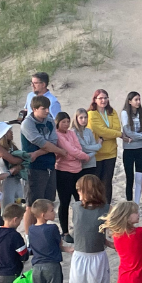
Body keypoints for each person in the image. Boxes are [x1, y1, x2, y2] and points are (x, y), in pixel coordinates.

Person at [21, 96, 68, 229]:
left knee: (47, 203)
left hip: (49, 165)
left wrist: (37, 153)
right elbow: (41, 142)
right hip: (34, 168)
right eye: (43, 109)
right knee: (31, 205)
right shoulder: (28, 123)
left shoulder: (50, 121)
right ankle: (29, 237)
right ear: (34, 109)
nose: (47, 111)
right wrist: (59, 151)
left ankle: (43, 231)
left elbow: (51, 142)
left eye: (48, 108)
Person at [54, 111, 92, 243]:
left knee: (81, 201)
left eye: (67, 121)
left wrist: (77, 155)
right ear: (58, 122)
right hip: (63, 172)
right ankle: (65, 232)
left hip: (78, 170)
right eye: (63, 122)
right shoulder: (57, 135)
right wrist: (84, 156)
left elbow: (77, 147)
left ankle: (81, 228)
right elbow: (70, 150)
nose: (66, 124)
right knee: (64, 202)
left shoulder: (71, 133)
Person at [87, 89, 124, 206]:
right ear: (95, 100)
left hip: (111, 152)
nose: (103, 100)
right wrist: (117, 135)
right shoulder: (91, 114)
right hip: (97, 153)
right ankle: (96, 206)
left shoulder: (112, 112)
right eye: (100, 98)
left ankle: (107, 206)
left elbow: (116, 129)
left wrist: (107, 136)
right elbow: (98, 130)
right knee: (96, 182)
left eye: (105, 98)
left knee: (107, 182)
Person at [120, 92, 142, 204]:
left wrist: (138, 136)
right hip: (128, 150)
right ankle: (130, 204)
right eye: (136, 99)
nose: (138, 102)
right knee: (129, 178)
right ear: (129, 101)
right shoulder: (125, 113)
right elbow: (128, 132)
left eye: (139, 99)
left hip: (140, 149)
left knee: (139, 179)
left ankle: (137, 204)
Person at [0, 123, 24, 208]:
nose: (11, 133)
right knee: (8, 208)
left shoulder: (11, 145)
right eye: (9, 131)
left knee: (19, 206)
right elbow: (13, 160)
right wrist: (24, 159)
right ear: (3, 134)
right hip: (5, 180)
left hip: (16, 179)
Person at [73, 108, 102, 182]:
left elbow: (95, 148)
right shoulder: (73, 132)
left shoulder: (88, 131)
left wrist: (89, 155)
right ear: (76, 118)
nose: (84, 120)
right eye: (81, 117)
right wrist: (98, 145)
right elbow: (83, 148)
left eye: (85, 117)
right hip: (80, 164)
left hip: (91, 163)